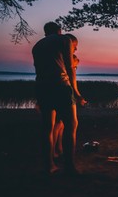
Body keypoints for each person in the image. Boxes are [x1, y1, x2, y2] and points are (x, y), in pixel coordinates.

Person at [32, 22, 86, 174]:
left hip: (42, 87)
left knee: (47, 128)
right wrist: (76, 92)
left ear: (45, 32)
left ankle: (49, 166)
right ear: (59, 31)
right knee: (71, 125)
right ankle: (69, 166)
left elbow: (39, 68)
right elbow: (69, 66)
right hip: (60, 86)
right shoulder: (64, 40)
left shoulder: (37, 45)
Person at [52, 35, 81, 159]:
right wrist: (77, 94)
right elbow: (70, 76)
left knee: (60, 124)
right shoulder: (68, 59)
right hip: (63, 90)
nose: (75, 49)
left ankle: (58, 149)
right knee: (62, 124)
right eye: (75, 46)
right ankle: (56, 152)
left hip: (51, 89)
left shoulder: (57, 58)